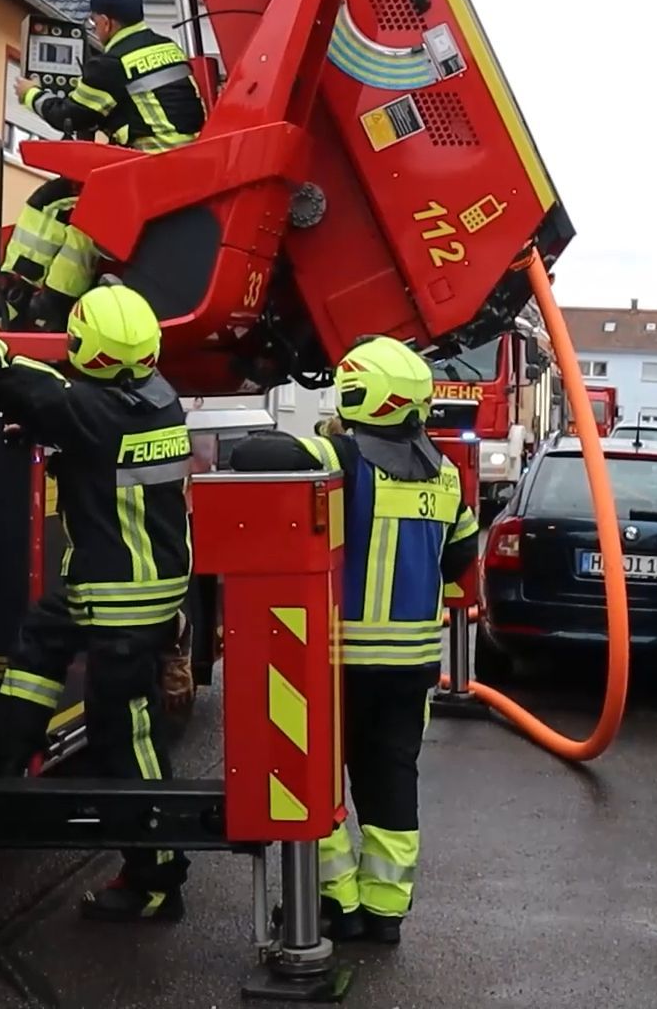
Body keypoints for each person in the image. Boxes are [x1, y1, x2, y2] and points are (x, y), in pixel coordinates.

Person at [0, 254, 193, 921]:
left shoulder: (85, 409)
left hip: (119, 604)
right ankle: (6, 761)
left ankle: (156, 877)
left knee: (125, 736)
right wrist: (47, 427)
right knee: (42, 635)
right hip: (145, 591)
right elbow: (93, 430)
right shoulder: (159, 398)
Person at [230, 335, 480, 943]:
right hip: (414, 667)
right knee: (393, 782)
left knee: (318, 781)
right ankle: (386, 913)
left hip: (340, 662)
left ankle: (334, 901)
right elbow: (460, 560)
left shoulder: (340, 455)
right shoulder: (446, 476)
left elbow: (254, 455)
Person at [0, 0, 207, 332]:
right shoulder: (168, 49)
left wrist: (31, 94)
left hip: (154, 176)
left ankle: (19, 296)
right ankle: (48, 306)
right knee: (82, 220)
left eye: (95, 22)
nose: (95, 28)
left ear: (107, 23)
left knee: (52, 203)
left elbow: (70, 115)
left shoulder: (110, 65)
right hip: (189, 172)